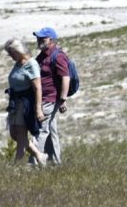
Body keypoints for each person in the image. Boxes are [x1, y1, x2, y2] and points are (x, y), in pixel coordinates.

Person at [3, 39, 46, 164]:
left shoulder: (31, 64)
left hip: (25, 103)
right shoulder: (18, 63)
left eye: (11, 53)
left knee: (21, 134)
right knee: (14, 133)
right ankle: (39, 155)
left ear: (18, 51)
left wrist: (38, 109)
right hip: (15, 102)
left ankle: (18, 164)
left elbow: (37, 87)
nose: (10, 56)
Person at [32, 27, 70, 165]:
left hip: (50, 99)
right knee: (51, 131)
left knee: (41, 130)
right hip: (42, 98)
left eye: (43, 38)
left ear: (51, 40)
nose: (39, 40)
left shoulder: (58, 56)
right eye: (38, 38)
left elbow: (65, 78)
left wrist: (63, 99)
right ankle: (55, 162)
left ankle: (33, 165)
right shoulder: (41, 56)